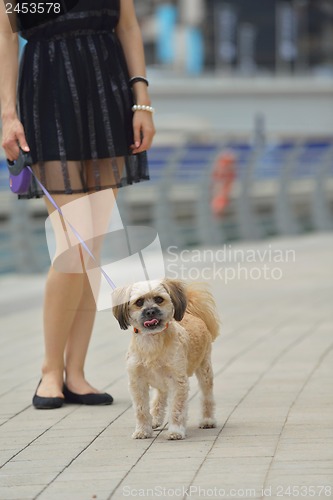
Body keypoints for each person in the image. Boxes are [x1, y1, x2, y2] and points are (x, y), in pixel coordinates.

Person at [0, 0, 155, 409]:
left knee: (94, 246)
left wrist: (142, 101)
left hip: (107, 94)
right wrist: (7, 115)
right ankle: (50, 371)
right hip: (48, 95)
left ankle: (77, 373)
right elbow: (5, 33)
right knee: (75, 244)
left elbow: (128, 27)